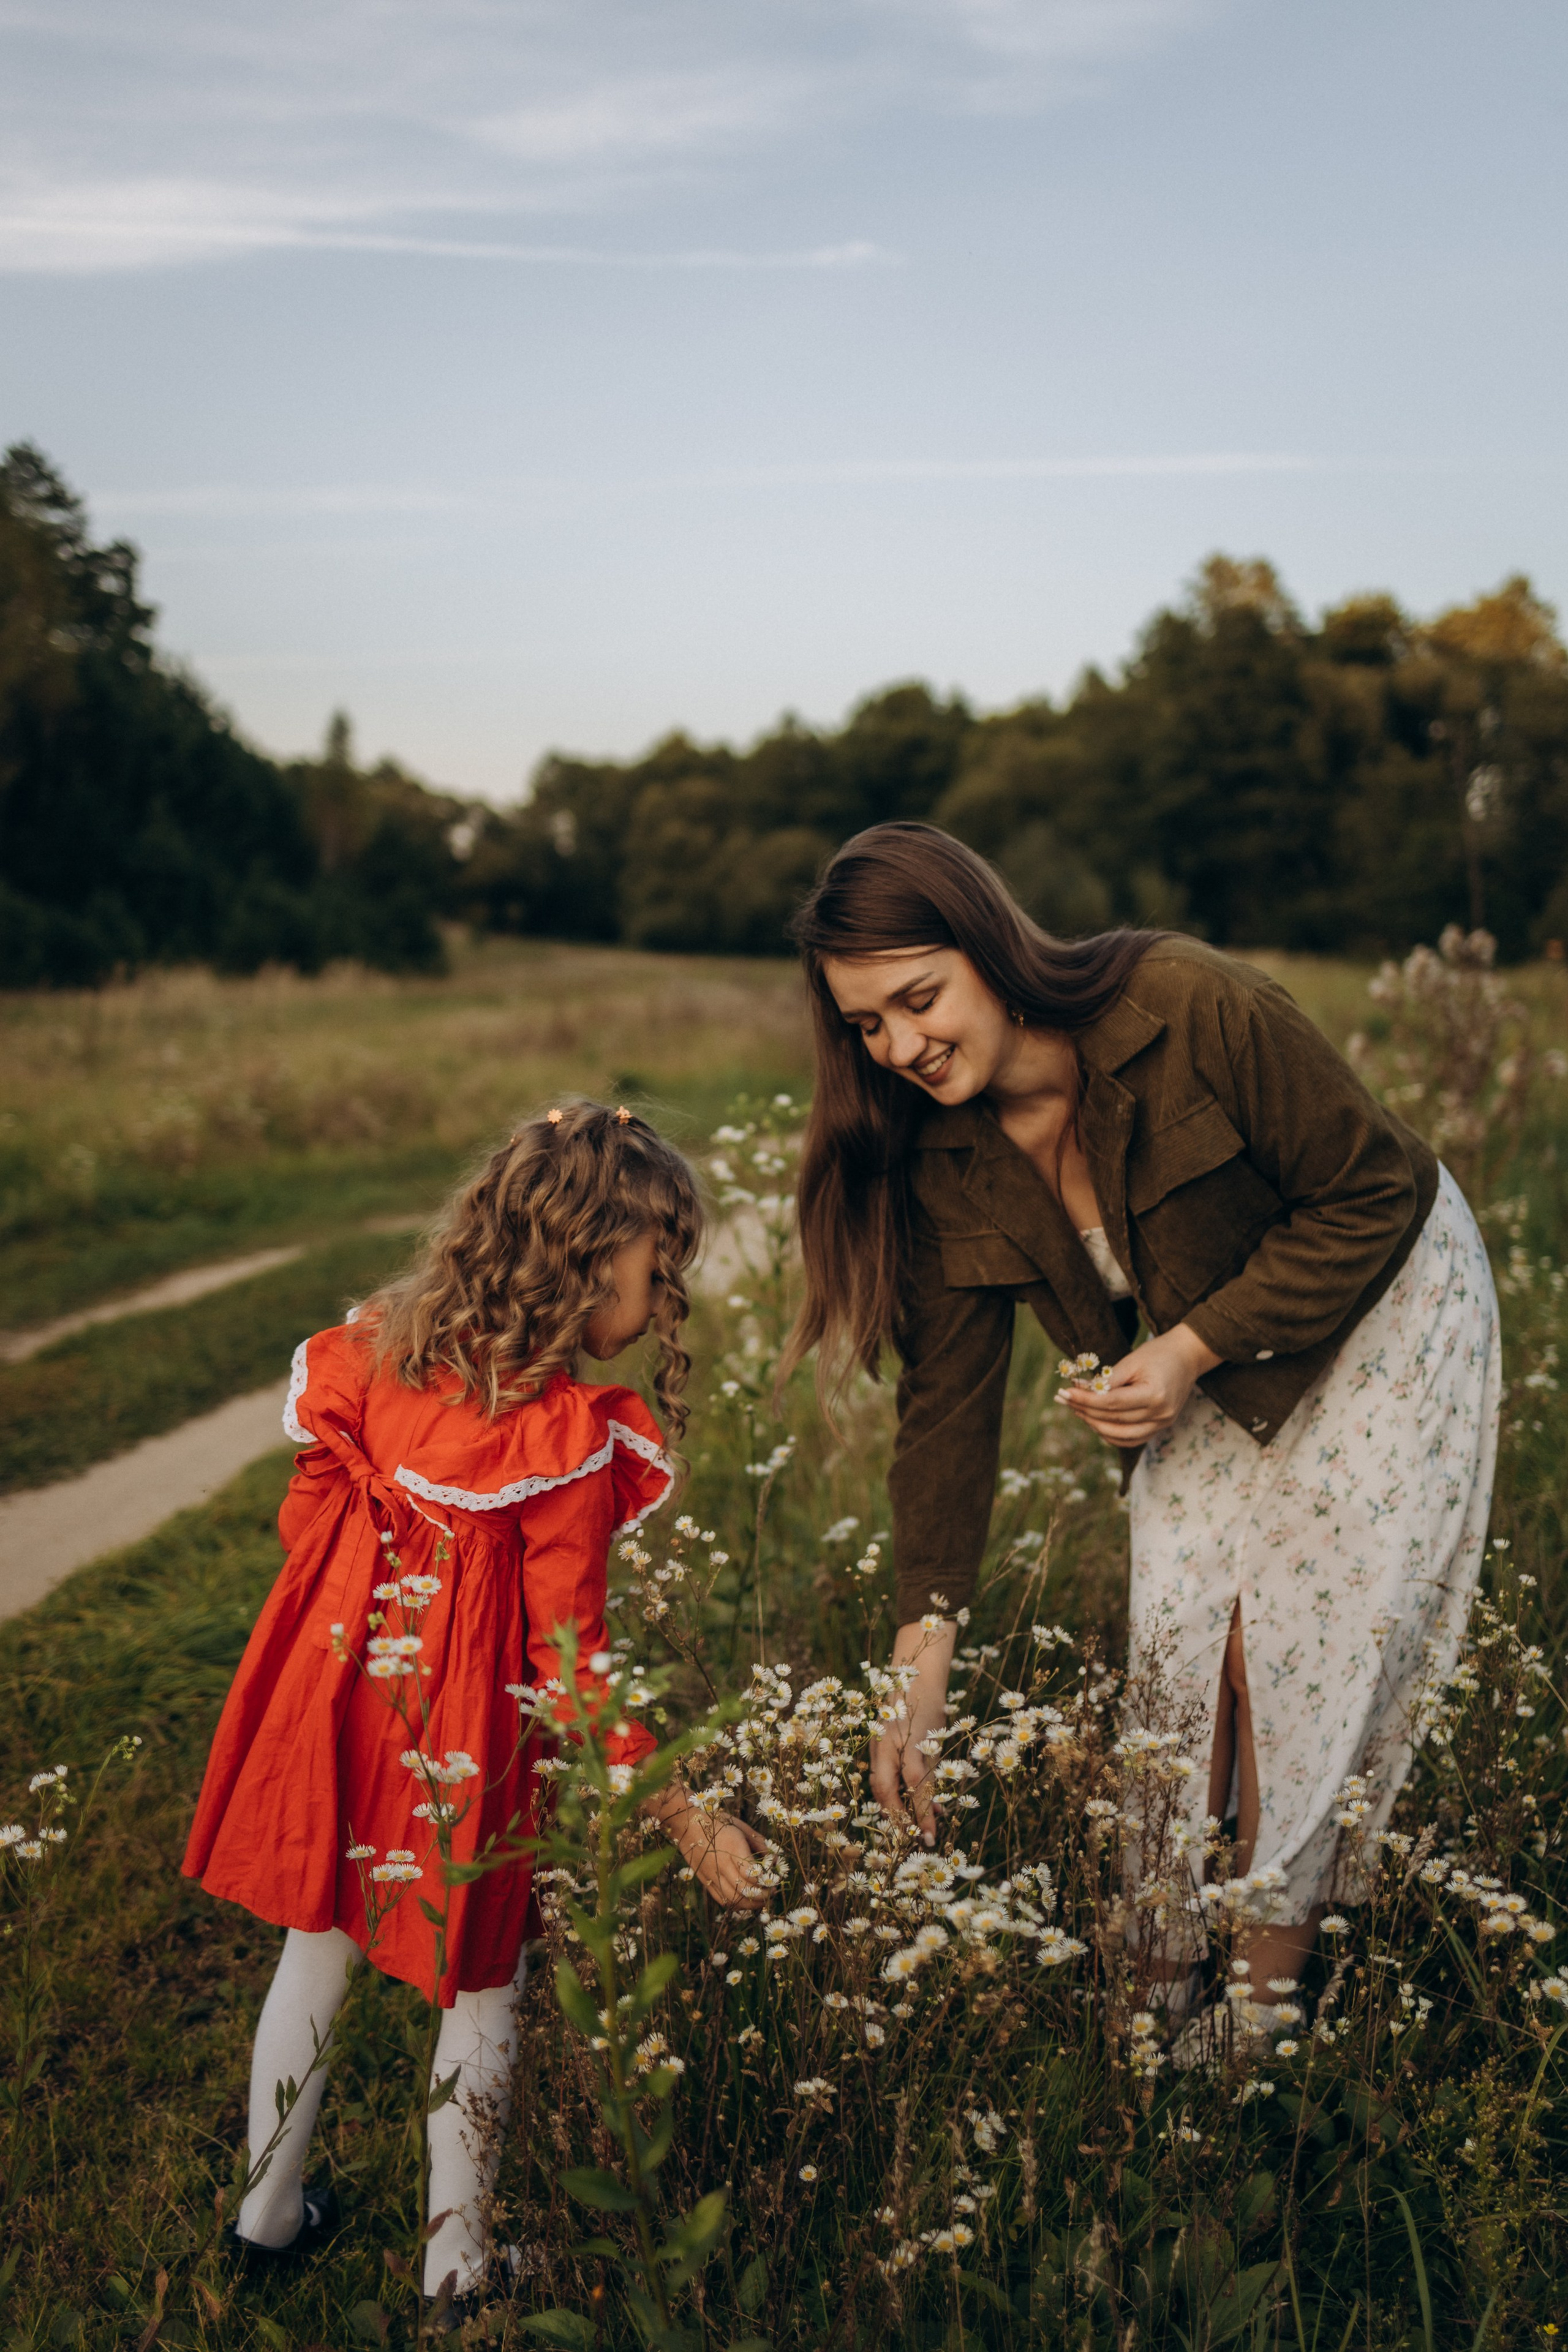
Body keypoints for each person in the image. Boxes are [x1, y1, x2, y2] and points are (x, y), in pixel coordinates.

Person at [783, 822, 1499, 2011]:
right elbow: (944, 1415)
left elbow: (1370, 1189)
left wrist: (1184, 1349)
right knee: (1176, 1644)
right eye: (865, 1024)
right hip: (1200, 1353)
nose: (899, 1045)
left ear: (986, 944)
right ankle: (1153, 2005)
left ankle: (1257, 2019)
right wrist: (919, 1662)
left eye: (918, 999)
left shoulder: (1188, 1003)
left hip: (1385, 1300)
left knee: (1285, 1647)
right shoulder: (935, 1160)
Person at [184, 1100, 764, 2303]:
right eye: (658, 1278)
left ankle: (267, 2226)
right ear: (588, 1261)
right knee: (482, 1981)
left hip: (342, 1693)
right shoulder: (559, 1439)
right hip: (468, 1738)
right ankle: (457, 2274)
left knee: (318, 1950)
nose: (663, 1310)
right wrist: (682, 1815)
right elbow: (571, 1663)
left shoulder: (371, 1359)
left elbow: (308, 1524)